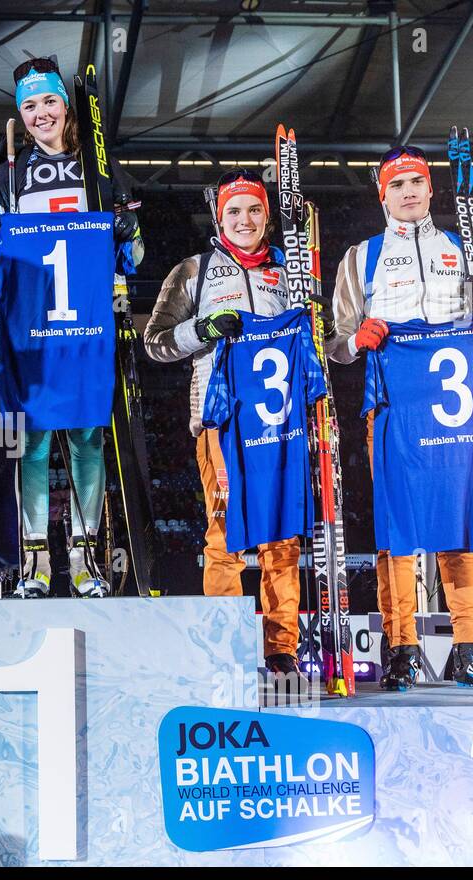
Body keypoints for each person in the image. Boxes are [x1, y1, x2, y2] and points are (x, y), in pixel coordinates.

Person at [329, 145, 473, 690]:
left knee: (458, 526)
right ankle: (402, 649)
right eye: (397, 184)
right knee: (398, 528)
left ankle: (469, 646)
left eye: (416, 181)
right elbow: (335, 342)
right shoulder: (361, 257)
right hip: (394, 404)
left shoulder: (466, 248)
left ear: (431, 189)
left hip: (457, 406)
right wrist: (354, 340)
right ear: (382, 194)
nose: (409, 192)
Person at [0, 57, 142, 598]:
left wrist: (128, 230)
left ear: (66, 105)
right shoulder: (7, 173)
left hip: (84, 327)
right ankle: (33, 564)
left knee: (85, 441)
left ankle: (83, 558)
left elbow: (136, 257)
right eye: (29, 106)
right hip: (32, 328)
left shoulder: (98, 169)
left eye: (49, 101)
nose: (40, 114)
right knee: (30, 445)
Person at [143, 170, 302, 673]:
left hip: (281, 421)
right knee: (226, 533)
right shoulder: (194, 270)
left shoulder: (291, 268)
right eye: (234, 211)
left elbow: (315, 338)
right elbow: (155, 342)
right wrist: (203, 328)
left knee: (282, 537)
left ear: (267, 215)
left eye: (254, 209)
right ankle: (228, 651)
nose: (245, 219)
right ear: (219, 217)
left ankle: (282, 652)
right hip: (221, 419)